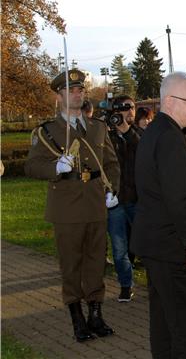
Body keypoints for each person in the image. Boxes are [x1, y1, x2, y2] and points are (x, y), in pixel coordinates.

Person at [25, 69, 120, 342]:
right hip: (66, 207)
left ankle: (96, 314)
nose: (78, 94)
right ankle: (77, 318)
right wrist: (55, 166)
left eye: (80, 90)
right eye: (71, 90)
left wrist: (112, 189)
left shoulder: (98, 127)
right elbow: (32, 166)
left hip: (95, 203)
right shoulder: (47, 132)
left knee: (95, 262)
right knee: (71, 264)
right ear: (59, 95)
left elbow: (112, 164)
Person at [130, 72, 186, 358]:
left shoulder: (156, 132)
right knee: (184, 327)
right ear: (168, 100)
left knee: (163, 320)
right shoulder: (170, 137)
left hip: (156, 244)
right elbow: (177, 197)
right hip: (173, 246)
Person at [106, 94, 140, 302]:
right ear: (114, 112)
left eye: (131, 108)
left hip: (139, 199)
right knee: (119, 249)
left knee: (148, 242)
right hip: (115, 200)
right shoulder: (105, 136)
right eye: (122, 108)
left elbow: (144, 150)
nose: (128, 111)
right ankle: (126, 285)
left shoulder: (141, 134)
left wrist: (127, 131)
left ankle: (158, 282)